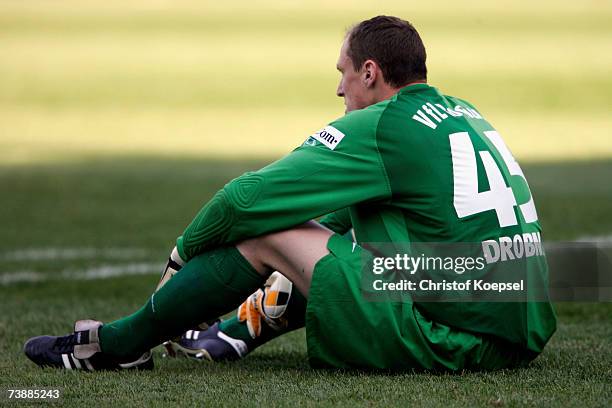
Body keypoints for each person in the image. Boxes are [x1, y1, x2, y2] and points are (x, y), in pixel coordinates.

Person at [23, 15, 556, 372]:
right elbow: (355, 218)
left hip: (452, 337)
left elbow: (244, 199)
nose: (340, 88)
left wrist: (180, 256)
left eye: (343, 73)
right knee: (344, 235)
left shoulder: (381, 124)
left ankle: (118, 347)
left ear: (370, 72)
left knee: (271, 229)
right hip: (517, 330)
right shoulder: (462, 110)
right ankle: (237, 331)